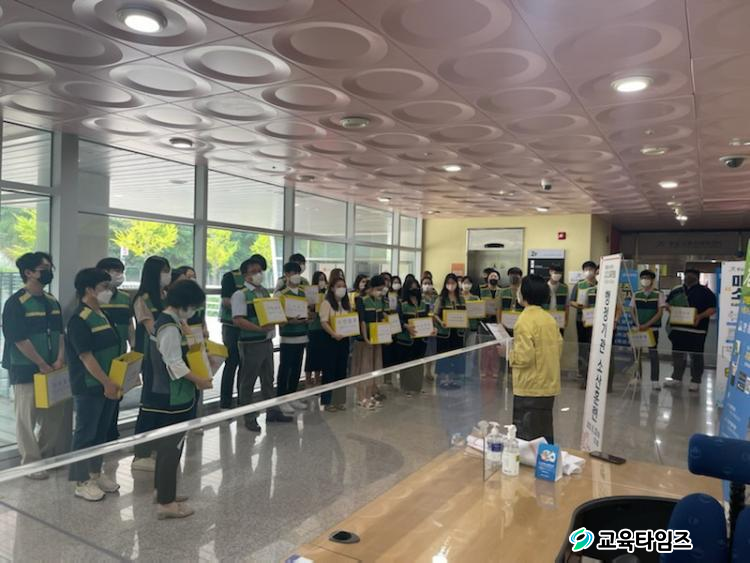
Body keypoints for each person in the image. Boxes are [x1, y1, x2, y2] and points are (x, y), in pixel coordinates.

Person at [141, 279, 212, 519]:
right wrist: (199, 380)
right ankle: (166, 503)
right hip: (171, 397)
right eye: (193, 306)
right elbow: (174, 363)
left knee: (168, 448)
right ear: (184, 303)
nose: (194, 311)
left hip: (172, 394)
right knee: (171, 448)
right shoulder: (169, 327)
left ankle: (162, 491)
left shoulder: (172, 322)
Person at [1, 252, 71, 479]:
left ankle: (44, 455)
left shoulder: (52, 301)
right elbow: (18, 339)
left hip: (53, 368)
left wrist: (59, 359)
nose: (49, 272)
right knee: (26, 417)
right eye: (43, 269)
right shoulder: (16, 303)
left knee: (53, 416)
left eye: (50, 268)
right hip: (25, 369)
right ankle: (31, 463)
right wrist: (40, 363)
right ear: (29, 273)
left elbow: (60, 333)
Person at [66, 267, 122, 501]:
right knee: (85, 433)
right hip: (90, 385)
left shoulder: (102, 314)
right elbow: (86, 356)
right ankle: (80, 481)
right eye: (104, 287)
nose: (109, 291)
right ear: (89, 289)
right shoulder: (79, 319)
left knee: (100, 431)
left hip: (110, 384)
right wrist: (106, 381)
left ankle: (95, 473)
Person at [232, 254, 292, 432]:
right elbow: (238, 320)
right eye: (254, 271)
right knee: (248, 381)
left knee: (268, 379)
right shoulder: (240, 295)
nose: (258, 274)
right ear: (245, 275)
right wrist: (259, 329)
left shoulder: (264, 292)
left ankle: (272, 411)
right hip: (250, 343)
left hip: (266, 341)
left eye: (260, 271)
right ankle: (249, 417)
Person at [505, 275, 563, 444]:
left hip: (529, 386)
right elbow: (558, 347)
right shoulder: (549, 318)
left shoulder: (524, 321)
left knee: (527, 438)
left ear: (525, 293)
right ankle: (546, 460)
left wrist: (508, 354)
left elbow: (524, 357)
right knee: (545, 433)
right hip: (549, 383)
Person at [131, 255, 171, 472]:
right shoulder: (143, 299)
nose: (168, 275)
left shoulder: (166, 296)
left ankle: (157, 447)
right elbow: (152, 329)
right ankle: (142, 453)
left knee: (164, 402)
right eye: (164, 271)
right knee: (150, 402)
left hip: (168, 356)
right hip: (152, 357)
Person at [96, 257, 134, 441]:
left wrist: (134, 347)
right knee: (99, 400)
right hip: (99, 359)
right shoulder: (95, 298)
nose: (119, 275)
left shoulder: (125, 298)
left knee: (116, 396)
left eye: (121, 271)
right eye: (115, 271)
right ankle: (98, 438)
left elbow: (129, 325)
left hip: (120, 357)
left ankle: (111, 435)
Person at [665, 268, 717, 392]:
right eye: (687, 275)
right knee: (678, 355)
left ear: (697, 277)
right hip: (678, 329)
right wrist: (672, 311)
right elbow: (667, 304)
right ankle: (676, 378)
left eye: (691, 275)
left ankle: (695, 381)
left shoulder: (706, 292)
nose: (688, 277)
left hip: (697, 331)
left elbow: (712, 309)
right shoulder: (677, 290)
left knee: (696, 356)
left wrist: (699, 316)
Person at [274, 261, 309, 411]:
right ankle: (281, 399)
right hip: (288, 337)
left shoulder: (303, 292)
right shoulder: (280, 294)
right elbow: (277, 317)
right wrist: (289, 321)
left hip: (302, 336)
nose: (296, 276)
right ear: (286, 274)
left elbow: (308, 310)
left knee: (296, 368)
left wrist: (309, 317)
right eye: (293, 273)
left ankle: (293, 396)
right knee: (285, 368)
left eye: (298, 273)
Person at [353, 274, 387, 409]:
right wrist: (366, 337)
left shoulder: (379, 300)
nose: (380, 292)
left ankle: (369, 395)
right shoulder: (361, 300)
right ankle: (361, 397)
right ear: (372, 287)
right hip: (364, 340)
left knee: (373, 367)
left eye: (382, 289)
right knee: (363, 368)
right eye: (379, 289)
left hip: (376, 339)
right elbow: (362, 321)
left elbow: (382, 319)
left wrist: (386, 336)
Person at [319, 277, 352, 411]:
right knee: (329, 371)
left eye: (343, 286)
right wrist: (333, 333)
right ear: (332, 288)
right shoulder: (326, 303)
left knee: (341, 370)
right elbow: (323, 322)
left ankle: (339, 400)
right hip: (330, 340)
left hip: (344, 340)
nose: (342, 289)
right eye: (338, 286)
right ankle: (328, 401)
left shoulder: (346, 304)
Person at [396, 277, 432, 396]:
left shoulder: (423, 304)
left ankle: (417, 387)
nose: (414, 289)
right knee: (407, 363)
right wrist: (406, 326)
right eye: (412, 288)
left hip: (420, 338)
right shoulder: (402, 304)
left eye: (416, 287)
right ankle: (406, 387)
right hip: (406, 339)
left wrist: (431, 328)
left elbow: (427, 318)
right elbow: (397, 320)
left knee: (418, 362)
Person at [633, 270, 666, 390]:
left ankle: (655, 380)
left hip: (652, 329)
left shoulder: (658, 294)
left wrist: (647, 324)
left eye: (647, 278)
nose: (644, 280)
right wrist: (637, 323)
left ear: (652, 280)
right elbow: (632, 310)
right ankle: (637, 377)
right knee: (637, 354)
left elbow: (660, 312)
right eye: (642, 278)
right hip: (638, 328)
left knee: (653, 354)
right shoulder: (636, 294)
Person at [433, 274, 466, 389]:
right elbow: (435, 314)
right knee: (444, 355)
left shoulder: (461, 299)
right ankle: (444, 379)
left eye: (453, 283)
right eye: (448, 283)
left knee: (456, 355)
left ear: (457, 284)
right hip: (444, 332)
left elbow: (465, 313)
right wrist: (441, 322)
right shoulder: (441, 299)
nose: (451, 285)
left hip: (457, 332)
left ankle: (452, 379)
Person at [219, 263, 245, 410]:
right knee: (231, 362)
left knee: (244, 365)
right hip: (231, 327)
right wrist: (245, 306)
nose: (258, 274)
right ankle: (225, 403)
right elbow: (226, 301)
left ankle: (243, 400)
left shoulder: (253, 283)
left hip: (246, 327)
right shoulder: (230, 277)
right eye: (255, 270)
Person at [570, 261, 598, 382]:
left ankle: (593, 371)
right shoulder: (579, 284)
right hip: (581, 319)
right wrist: (581, 306)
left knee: (594, 346)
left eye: (591, 269)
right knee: (582, 346)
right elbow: (571, 301)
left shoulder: (600, 284)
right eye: (586, 269)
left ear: (595, 271)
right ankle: (581, 371)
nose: (589, 271)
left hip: (597, 320)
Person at [304, 271, 327, 388]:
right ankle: (308, 381)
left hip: (323, 328)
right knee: (311, 355)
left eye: (323, 279)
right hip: (312, 328)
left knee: (321, 355)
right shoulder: (310, 292)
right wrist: (311, 307)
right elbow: (306, 310)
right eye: (320, 279)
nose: (322, 281)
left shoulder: (326, 293)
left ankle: (318, 380)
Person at [479, 269, 502, 378]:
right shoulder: (481, 290)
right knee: (484, 349)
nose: (493, 278)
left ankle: (495, 370)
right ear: (487, 278)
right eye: (491, 276)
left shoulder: (502, 291)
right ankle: (483, 370)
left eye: (495, 276)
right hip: (484, 323)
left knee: (496, 349)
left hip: (497, 323)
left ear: (498, 279)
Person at [544, 264, 569, 336]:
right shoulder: (543, 286)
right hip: (545, 317)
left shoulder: (564, 287)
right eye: (556, 272)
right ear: (550, 272)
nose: (558, 275)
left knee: (559, 339)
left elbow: (567, 305)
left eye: (560, 273)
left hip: (559, 318)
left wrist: (566, 320)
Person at [499, 267, 525, 336]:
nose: (513, 277)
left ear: (521, 277)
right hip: (505, 324)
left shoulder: (525, 292)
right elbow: (499, 309)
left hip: (521, 325)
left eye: (516, 275)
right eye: (511, 275)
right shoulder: (503, 292)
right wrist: (499, 323)